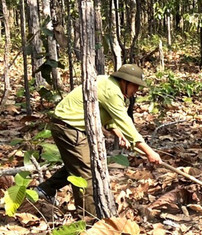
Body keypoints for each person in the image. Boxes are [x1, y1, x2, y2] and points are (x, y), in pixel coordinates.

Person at [36, 64, 161, 217]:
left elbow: (106, 116)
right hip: (68, 128)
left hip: (69, 127)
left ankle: (45, 190)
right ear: (124, 81)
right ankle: (89, 218)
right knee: (86, 172)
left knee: (79, 164)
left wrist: (119, 135)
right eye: (135, 86)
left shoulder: (107, 82)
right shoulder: (112, 91)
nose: (136, 90)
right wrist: (150, 152)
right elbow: (126, 123)